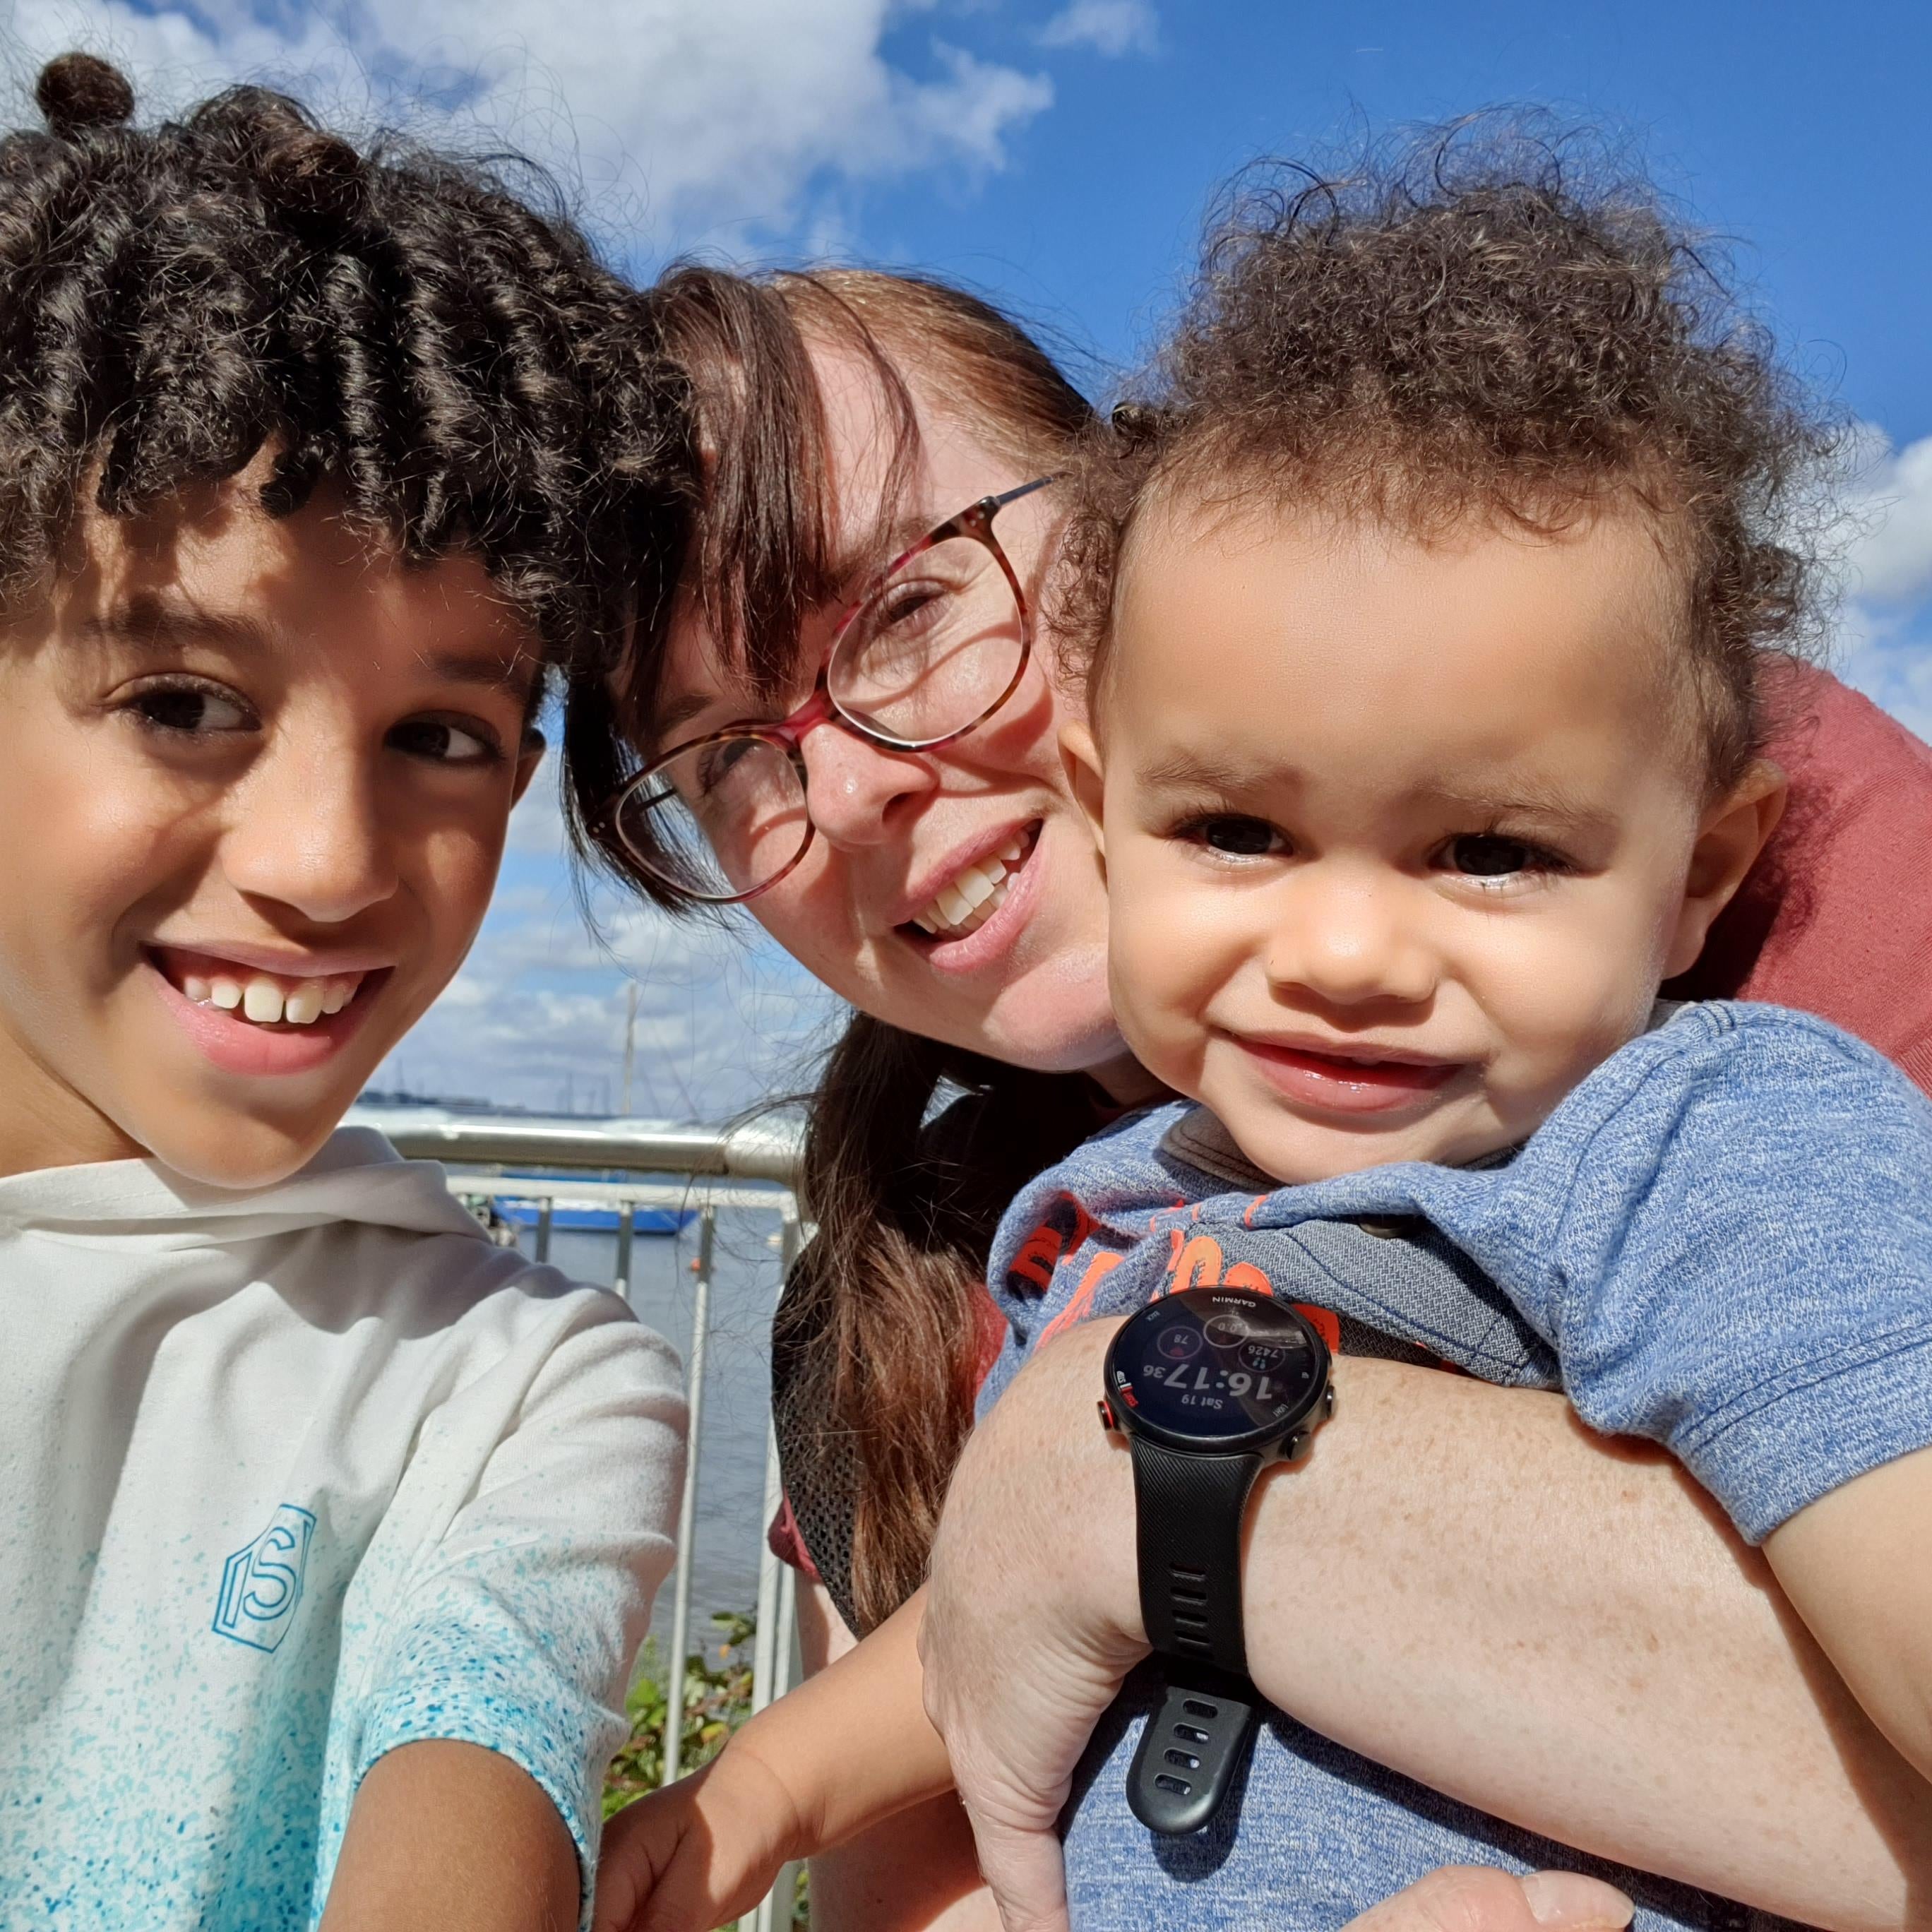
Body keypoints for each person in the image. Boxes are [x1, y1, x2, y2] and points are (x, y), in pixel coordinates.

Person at [573, 234, 1932, 1930]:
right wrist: (764, 1789)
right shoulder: (1066, 1222)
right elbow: (972, 1658)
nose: (845, 792)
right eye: (719, 757)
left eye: (911, 608)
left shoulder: (1713, 1084)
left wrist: (1133, 1478)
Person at [0, 54, 687, 1932]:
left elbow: (473, 1754)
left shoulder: (511, 1388)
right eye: (184, 702)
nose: (325, 859)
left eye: (446, 734)